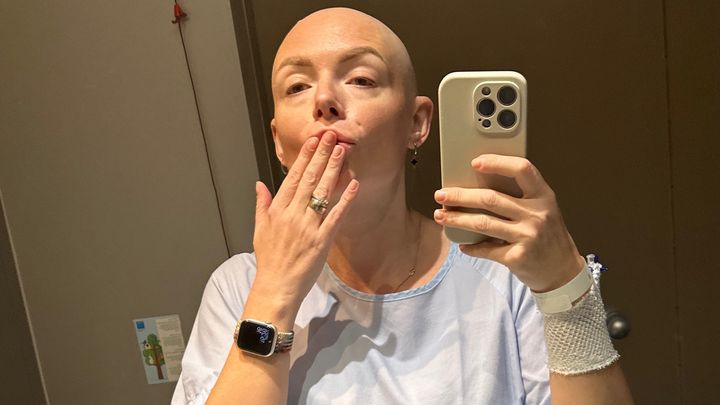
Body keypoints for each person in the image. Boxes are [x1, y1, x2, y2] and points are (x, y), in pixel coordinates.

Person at [172, 7, 633, 405]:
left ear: (416, 122)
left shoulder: (508, 272)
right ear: (278, 141)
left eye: (361, 78)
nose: (325, 100)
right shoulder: (239, 287)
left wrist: (564, 289)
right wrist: (274, 295)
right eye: (297, 87)